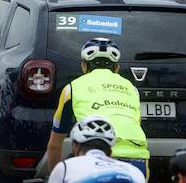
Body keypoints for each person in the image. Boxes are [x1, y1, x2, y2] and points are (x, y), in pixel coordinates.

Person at [47, 37, 147, 175]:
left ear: (84, 66)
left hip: (95, 160)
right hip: (139, 160)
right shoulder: (132, 89)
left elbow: (54, 145)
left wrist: (55, 178)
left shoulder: (72, 88)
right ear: (117, 68)